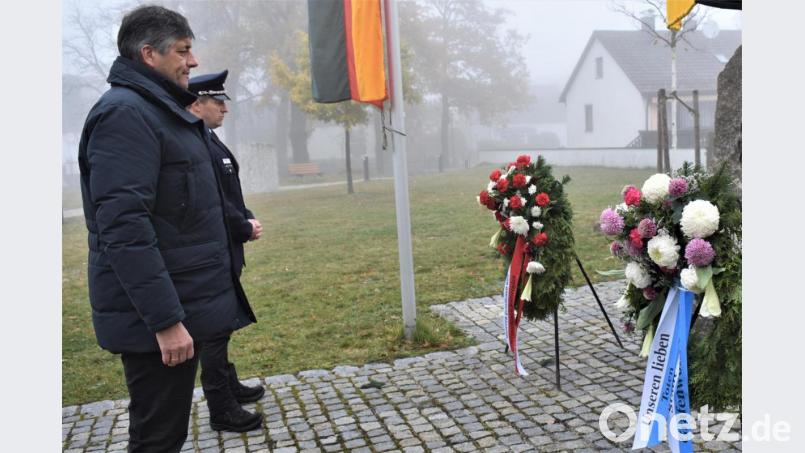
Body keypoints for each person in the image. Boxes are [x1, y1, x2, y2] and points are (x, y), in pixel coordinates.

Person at [77, 6, 256, 451]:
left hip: (184, 304)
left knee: (165, 434)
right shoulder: (126, 115)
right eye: (183, 50)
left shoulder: (158, 110)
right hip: (159, 321)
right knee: (157, 438)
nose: (192, 62)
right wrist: (166, 321)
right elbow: (124, 228)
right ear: (148, 54)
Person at [187, 70, 265, 432]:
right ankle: (222, 407)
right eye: (218, 102)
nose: (224, 109)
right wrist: (242, 225)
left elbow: (230, 192)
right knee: (214, 330)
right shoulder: (197, 142)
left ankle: (229, 387)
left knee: (223, 325)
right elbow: (213, 201)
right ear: (197, 103)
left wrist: (246, 217)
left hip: (224, 247)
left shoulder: (208, 138)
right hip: (213, 249)